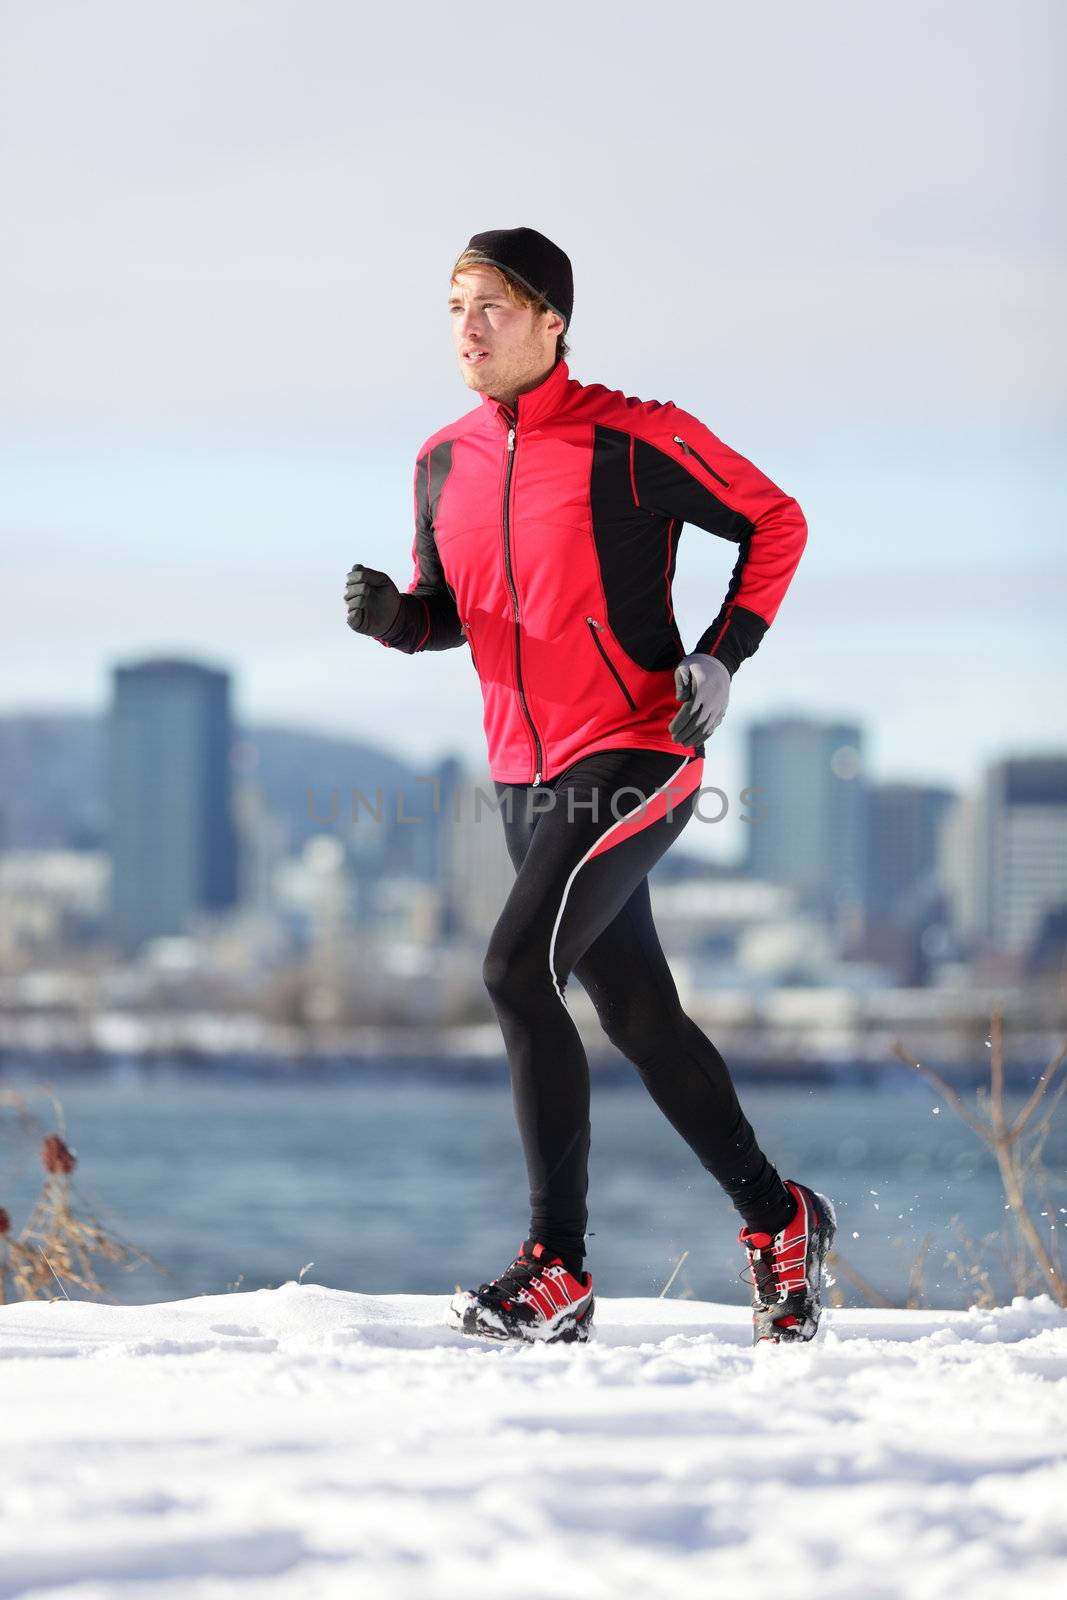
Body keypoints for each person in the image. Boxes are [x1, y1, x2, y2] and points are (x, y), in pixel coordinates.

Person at [345, 226, 836, 1346]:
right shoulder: (441, 461)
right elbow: (447, 613)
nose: (467, 330)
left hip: (633, 744)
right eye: (455, 307)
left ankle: (554, 1266)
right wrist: (395, 623)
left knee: (517, 970)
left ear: (551, 322)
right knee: (636, 1014)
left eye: (493, 309)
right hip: (523, 769)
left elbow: (773, 519)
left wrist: (723, 651)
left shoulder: (631, 438)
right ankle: (778, 1215)